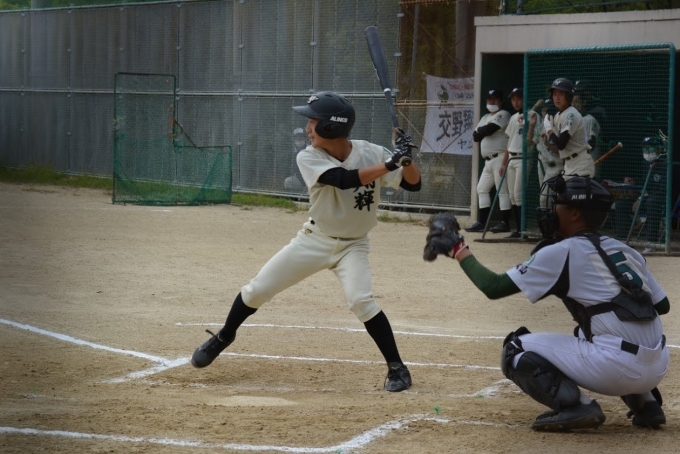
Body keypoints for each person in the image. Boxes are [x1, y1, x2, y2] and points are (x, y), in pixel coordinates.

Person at [190, 91, 422, 392]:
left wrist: (406, 158)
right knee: (258, 289)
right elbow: (343, 179)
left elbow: (413, 184)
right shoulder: (309, 156)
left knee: (360, 300)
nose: (308, 128)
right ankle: (224, 336)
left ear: (331, 127)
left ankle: (397, 368)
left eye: (313, 122)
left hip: (354, 245)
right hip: (315, 239)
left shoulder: (372, 152)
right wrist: (391, 163)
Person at [423, 174, 670, 431]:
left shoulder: (562, 251)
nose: (551, 210)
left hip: (616, 370)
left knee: (515, 349)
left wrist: (458, 249)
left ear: (575, 213)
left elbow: (493, 287)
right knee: (586, 332)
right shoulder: (626, 250)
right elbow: (662, 306)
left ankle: (578, 406)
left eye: (558, 204)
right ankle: (647, 404)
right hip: (658, 366)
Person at [466, 89, 511, 233]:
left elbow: (490, 129)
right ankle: (482, 223)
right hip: (488, 161)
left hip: (500, 158)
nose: (492, 101)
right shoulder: (485, 116)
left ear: (501, 102)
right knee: (481, 189)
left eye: (495, 99)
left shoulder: (504, 114)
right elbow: (475, 136)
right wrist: (483, 130)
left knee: (502, 191)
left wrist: (483, 130)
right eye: (489, 99)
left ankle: (505, 223)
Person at [499, 87, 538, 239]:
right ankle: (518, 230)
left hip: (524, 158)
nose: (515, 102)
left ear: (525, 99)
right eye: (513, 99)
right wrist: (504, 162)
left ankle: (523, 229)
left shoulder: (532, 115)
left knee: (518, 194)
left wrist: (529, 124)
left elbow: (533, 139)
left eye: (519, 99)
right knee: (512, 196)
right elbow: (509, 141)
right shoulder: (514, 117)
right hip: (511, 158)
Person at [543, 78, 595, 179]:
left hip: (580, 163)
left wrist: (549, 129)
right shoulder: (558, 115)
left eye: (561, 94)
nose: (557, 98)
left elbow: (561, 144)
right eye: (555, 94)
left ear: (568, 96)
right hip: (568, 164)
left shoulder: (571, 114)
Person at [533, 98, 564, 209]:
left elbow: (562, 152)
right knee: (546, 196)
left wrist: (547, 143)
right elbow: (531, 141)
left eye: (547, 110)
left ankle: (550, 218)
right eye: (543, 110)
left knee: (545, 197)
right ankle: (548, 218)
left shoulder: (559, 125)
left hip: (556, 165)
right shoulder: (541, 126)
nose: (545, 113)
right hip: (543, 163)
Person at [573, 80, 602, 172]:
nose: (573, 105)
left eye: (577, 102)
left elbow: (591, 144)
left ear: (584, 102)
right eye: (572, 102)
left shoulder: (589, 119)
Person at [284, 127, 309, 192]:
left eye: (301, 137)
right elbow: (288, 168)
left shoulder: (311, 149)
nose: (299, 139)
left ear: (305, 138)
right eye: (297, 138)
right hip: (298, 178)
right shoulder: (291, 153)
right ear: (294, 140)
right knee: (288, 181)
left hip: (311, 178)